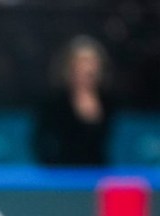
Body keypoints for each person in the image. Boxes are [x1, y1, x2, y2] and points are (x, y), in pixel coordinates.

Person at [32, 35, 115, 166]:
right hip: (61, 174)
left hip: (97, 171)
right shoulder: (53, 102)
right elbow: (40, 142)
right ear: (69, 67)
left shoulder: (108, 101)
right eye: (81, 62)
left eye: (92, 63)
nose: (87, 69)